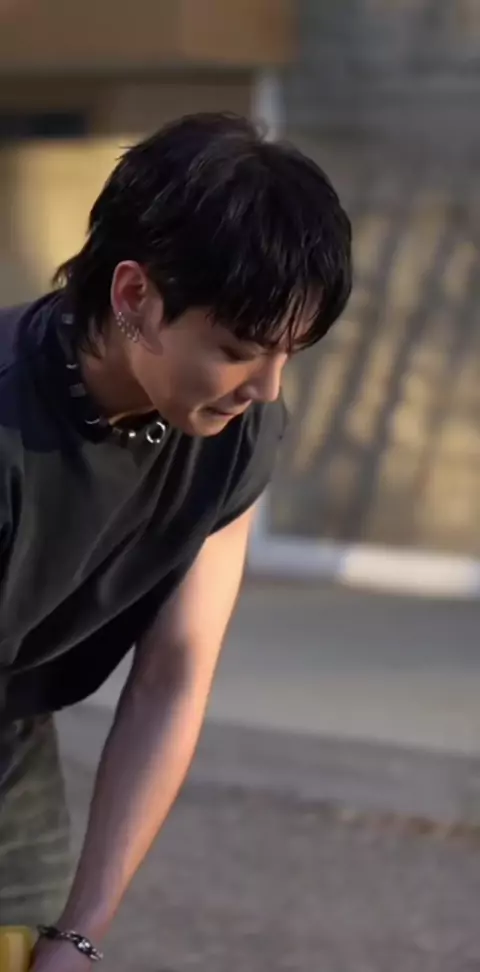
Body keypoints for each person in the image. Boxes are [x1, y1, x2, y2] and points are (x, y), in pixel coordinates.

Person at [0, 112, 352, 970]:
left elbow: (173, 676)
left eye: (289, 354)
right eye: (236, 349)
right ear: (134, 299)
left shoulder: (235, 434)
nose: (264, 388)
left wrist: (80, 932)